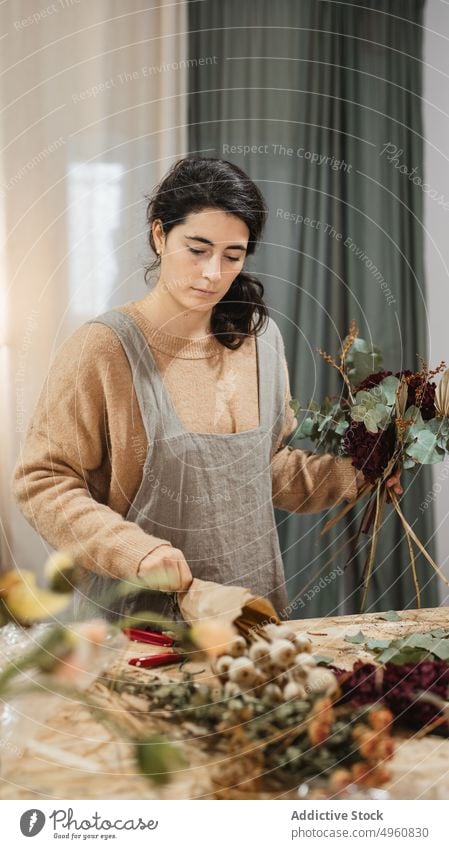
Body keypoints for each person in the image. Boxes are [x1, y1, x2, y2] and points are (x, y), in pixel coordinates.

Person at [12, 157, 402, 621]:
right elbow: (43, 481)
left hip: (251, 619)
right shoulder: (103, 347)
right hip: (136, 628)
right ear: (159, 234)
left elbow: (264, 467)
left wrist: (357, 472)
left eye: (232, 256)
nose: (213, 273)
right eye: (197, 249)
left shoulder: (260, 342)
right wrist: (132, 551)